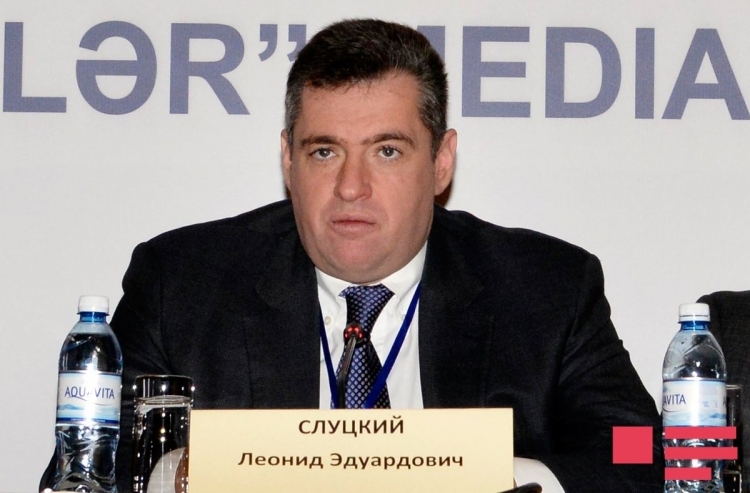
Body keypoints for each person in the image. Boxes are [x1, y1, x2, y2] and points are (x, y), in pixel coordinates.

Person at [42, 18, 663, 492]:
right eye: (325, 152)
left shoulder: (546, 287)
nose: (351, 187)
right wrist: (175, 470)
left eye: (387, 151)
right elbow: (85, 466)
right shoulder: (182, 283)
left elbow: (639, 448)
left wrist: (511, 475)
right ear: (288, 160)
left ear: (441, 162)